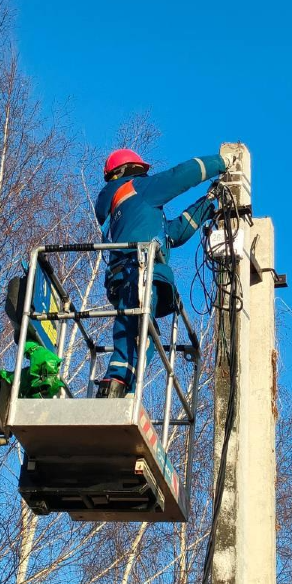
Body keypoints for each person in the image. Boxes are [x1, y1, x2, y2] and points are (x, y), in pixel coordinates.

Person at [94, 148, 227, 398]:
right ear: (130, 170)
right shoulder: (136, 189)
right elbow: (180, 176)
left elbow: (175, 233)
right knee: (138, 334)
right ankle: (118, 388)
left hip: (127, 275)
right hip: (140, 271)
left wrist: (208, 202)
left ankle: (120, 388)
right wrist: (220, 163)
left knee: (141, 334)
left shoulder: (131, 209)